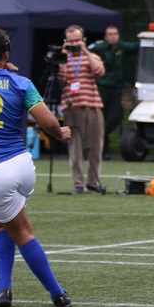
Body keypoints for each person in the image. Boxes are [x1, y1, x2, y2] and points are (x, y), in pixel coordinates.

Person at [0, 27, 73, 307]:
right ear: (7, 52)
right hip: (22, 166)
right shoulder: (21, 83)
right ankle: (3, 289)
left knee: (22, 232)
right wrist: (60, 134)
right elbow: (46, 121)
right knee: (3, 223)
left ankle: (58, 294)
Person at [58, 25, 106, 194]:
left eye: (77, 40)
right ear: (65, 42)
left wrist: (85, 51)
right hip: (71, 107)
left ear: (83, 40)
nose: (74, 44)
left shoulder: (92, 56)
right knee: (75, 147)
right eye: (71, 41)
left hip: (92, 105)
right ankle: (78, 183)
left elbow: (99, 71)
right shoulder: (62, 58)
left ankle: (93, 182)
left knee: (95, 145)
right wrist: (63, 56)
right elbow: (61, 79)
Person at [88, 25, 138, 158]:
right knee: (99, 118)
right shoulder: (99, 48)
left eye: (115, 34)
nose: (113, 36)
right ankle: (101, 152)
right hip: (101, 88)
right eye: (110, 34)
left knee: (116, 117)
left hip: (115, 88)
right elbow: (85, 52)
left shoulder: (121, 47)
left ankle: (99, 138)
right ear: (105, 36)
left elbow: (136, 46)